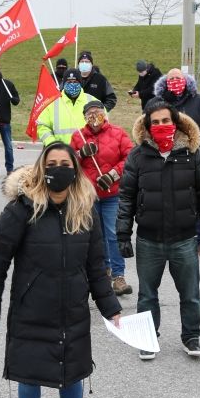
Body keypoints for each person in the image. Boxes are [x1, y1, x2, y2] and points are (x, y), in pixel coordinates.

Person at [0, 142, 122, 398]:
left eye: (65, 164)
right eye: (52, 163)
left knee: (72, 374)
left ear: (75, 170)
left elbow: (97, 266)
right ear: (42, 169)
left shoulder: (86, 211)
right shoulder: (21, 209)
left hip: (73, 310)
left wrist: (110, 307)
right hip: (31, 310)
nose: (59, 169)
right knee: (29, 375)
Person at [116, 100, 200, 360]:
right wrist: (123, 234)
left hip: (184, 239)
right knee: (147, 295)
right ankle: (148, 338)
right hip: (149, 240)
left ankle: (191, 337)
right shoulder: (138, 156)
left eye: (166, 121)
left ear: (176, 123)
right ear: (148, 126)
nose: (161, 126)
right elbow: (126, 196)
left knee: (190, 294)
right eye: (156, 122)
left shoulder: (193, 153)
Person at [69, 100, 135, 296]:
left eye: (97, 112)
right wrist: (81, 153)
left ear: (104, 114)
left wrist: (113, 175)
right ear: (84, 117)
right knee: (94, 237)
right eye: (90, 113)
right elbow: (68, 161)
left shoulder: (118, 132)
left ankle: (118, 276)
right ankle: (101, 274)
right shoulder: (78, 136)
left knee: (113, 234)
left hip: (112, 195)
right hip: (89, 196)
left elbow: (130, 157)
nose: (94, 116)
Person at [153, 68, 200, 169]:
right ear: (166, 82)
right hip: (162, 163)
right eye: (171, 79)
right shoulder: (155, 103)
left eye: (178, 78)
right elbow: (145, 132)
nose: (175, 81)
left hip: (192, 162)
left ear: (185, 80)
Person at [37, 69, 100, 146]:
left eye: (75, 82)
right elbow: (42, 126)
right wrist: (52, 144)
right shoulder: (52, 103)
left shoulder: (94, 102)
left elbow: (102, 126)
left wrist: (92, 145)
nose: (72, 85)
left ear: (80, 83)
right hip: (60, 153)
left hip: (87, 153)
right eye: (69, 82)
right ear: (64, 83)